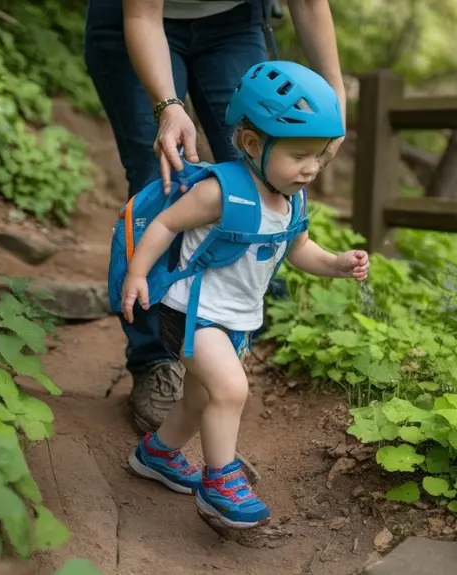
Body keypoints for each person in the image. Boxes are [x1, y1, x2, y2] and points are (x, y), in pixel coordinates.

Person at [118, 60, 369, 528]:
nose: (312, 168)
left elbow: (299, 248)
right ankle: (220, 482)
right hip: (192, 312)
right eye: (300, 155)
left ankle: (157, 455)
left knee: (199, 399)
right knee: (230, 389)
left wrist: (334, 263)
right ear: (254, 145)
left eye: (319, 155)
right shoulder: (221, 191)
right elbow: (166, 223)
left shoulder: (291, 196)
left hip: (235, 319)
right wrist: (137, 271)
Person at [83, 0, 347, 433]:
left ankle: (225, 343)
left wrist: (336, 101)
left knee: (264, 176)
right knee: (162, 176)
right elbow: (141, 14)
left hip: (235, 25)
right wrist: (167, 107)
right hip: (136, 20)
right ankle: (157, 360)